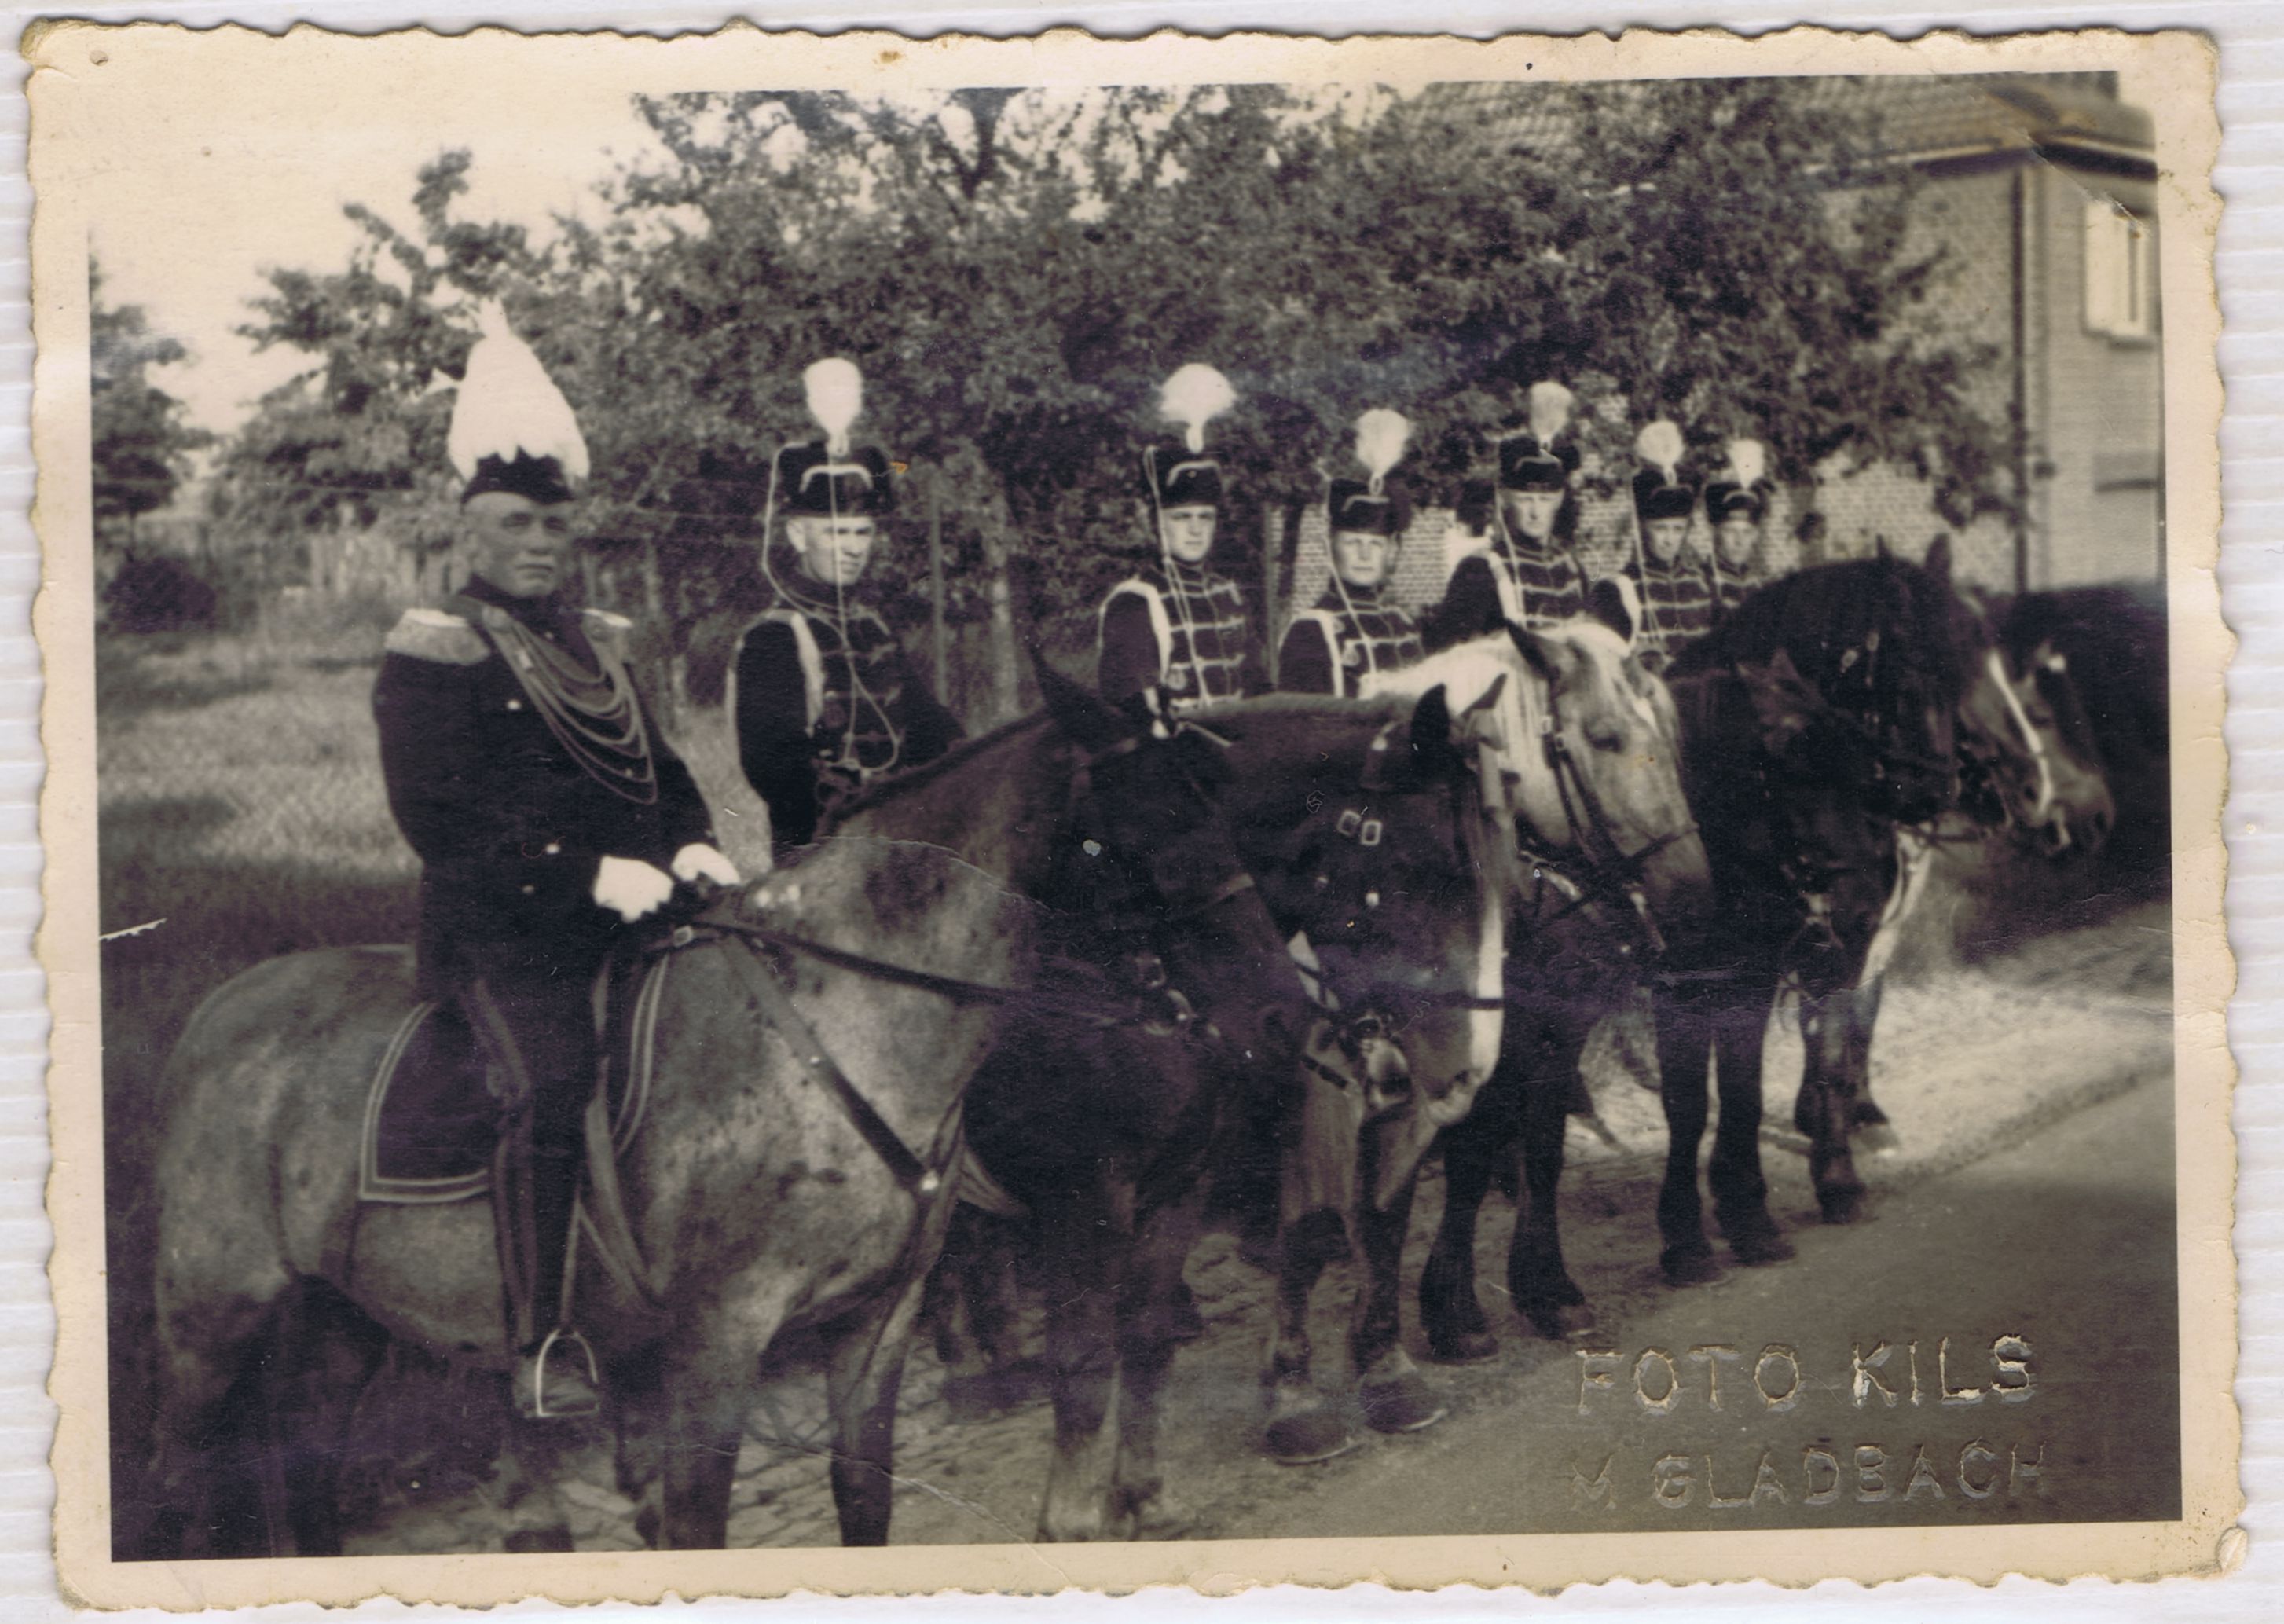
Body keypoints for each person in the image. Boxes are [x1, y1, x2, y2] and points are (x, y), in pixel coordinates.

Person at [373, 306, 737, 1421]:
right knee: (554, 1079)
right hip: (504, 930)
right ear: (470, 530)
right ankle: (542, 1340)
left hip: (635, 908)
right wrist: (583, 873)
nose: (539, 543)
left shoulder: (599, 640)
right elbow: (440, 820)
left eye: (554, 525)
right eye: (516, 523)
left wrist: (690, 838)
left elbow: (658, 768)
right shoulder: (436, 647)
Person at [732, 359, 963, 861]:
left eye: (863, 532)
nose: (853, 548)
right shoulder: (775, 636)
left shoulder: (872, 626)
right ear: (798, 535)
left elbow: (928, 727)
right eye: (837, 533)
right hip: (821, 848)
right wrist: (863, 815)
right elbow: (774, 767)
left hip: (898, 839)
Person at [1098, 363, 1262, 710]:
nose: (1196, 529)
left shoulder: (1228, 595)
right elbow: (1135, 712)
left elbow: (1257, 692)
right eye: (1182, 518)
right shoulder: (1135, 601)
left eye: (1206, 517)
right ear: (1155, 521)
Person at [1424, 379, 1591, 649]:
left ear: (1559, 499)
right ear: (1504, 498)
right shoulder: (1479, 570)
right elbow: (1452, 657)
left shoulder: (1573, 570)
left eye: (1545, 499)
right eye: (1525, 499)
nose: (1536, 512)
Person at [1278, 409, 1424, 695]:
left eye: (1376, 544)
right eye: (1353, 543)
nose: (1365, 555)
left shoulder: (1402, 625)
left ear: (1389, 551)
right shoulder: (1312, 630)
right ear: (1330, 546)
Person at [1627, 419, 1714, 672]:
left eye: (1677, 529)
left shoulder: (1700, 583)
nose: (1669, 539)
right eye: (1660, 529)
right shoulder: (1625, 585)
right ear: (1644, 528)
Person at [1703, 438, 1775, 622]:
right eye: (1731, 531)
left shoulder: (1761, 583)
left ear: (1755, 535)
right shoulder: (1702, 582)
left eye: (1747, 532)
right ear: (1715, 531)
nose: (1739, 541)